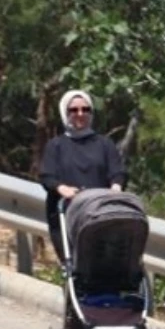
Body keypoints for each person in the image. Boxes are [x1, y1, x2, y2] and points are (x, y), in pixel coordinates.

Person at [38, 90, 127, 261]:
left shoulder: (104, 144)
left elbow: (117, 171)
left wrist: (116, 186)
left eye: (86, 109)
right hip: (68, 214)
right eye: (74, 110)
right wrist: (62, 188)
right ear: (65, 113)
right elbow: (47, 176)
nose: (80, 114)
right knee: (75, 265)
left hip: (101, 213)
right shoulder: (55, 146)